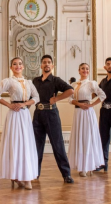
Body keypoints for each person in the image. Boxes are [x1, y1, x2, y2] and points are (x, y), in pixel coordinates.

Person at [0, 57, 39, 190]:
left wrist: (24, 103)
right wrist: (9, 105)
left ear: (23, 66)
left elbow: (36, 97)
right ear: (11, 67)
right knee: (15, 144)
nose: (17, 66)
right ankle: (16, 176)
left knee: (26, 144)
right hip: (14, 115)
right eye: (14, 64)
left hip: (25, 115)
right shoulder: (8, 81)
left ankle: (27, 177)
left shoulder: (29, 82)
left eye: (20, 64)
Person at [33, 54, 74, 183]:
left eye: (49, 62)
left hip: (51, 115)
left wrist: (57, 99)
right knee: (36, 145)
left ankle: (66, 174)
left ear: (52, 65)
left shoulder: (56, 80)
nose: (46, 64)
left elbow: (70, 90)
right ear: (41, 65)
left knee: (58, 145)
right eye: (44, 62)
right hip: (38, 114)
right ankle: (35, 173)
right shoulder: (35, 81)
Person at [67, 63, 106, 177]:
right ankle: (81, 166)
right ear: (79, 71)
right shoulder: (74, 84)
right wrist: (79, 103)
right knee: (80, 136)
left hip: (88, 113)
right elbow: (70, 99)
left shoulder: (91, 83)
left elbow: (102, 95)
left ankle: (89, 165)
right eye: (83, 68)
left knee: (88, 136)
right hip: (78, 113)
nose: (85, 70)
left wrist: (91, 105)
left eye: (87, 69)